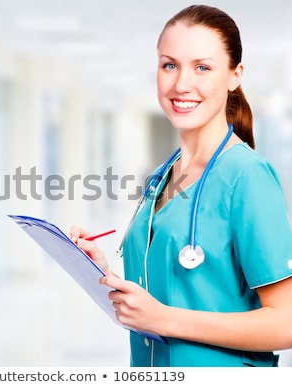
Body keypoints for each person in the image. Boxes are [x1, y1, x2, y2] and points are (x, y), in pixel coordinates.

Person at [71, 5, 292, 367]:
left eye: (202, 67)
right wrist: (102, 273)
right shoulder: (165, 174)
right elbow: (172, 293)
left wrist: (163, 319)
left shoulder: (246, 176)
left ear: (235, 75)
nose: (180, 84)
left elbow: (286, 322)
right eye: (169, 65)